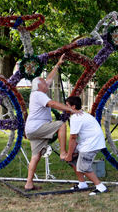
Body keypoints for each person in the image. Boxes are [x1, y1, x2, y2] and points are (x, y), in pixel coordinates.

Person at [24, 54, 83, 191]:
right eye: (44, 83)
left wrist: (57, 65)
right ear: (39, 86)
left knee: (36, 156)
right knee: (61, 124)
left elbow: (50, 79)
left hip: (32, 130)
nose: (47, 84)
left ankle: (29, 184)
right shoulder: (39, 95)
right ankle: (63, 153)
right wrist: (70, 110)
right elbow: (53, 104)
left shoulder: (37, 92)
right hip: (37, 127)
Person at [65, 96, 108, 196]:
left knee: (84, 167)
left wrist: (69, 153)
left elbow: (73, 137)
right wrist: (71, 154)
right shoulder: (81, 115)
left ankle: (101, 187)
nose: (65, 107)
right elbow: (77, 137)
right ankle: (82, 184)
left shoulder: (76, 118)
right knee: (73, 160)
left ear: (73, 106)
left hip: (91, 144)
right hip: (88, 142)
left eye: (67, 105)